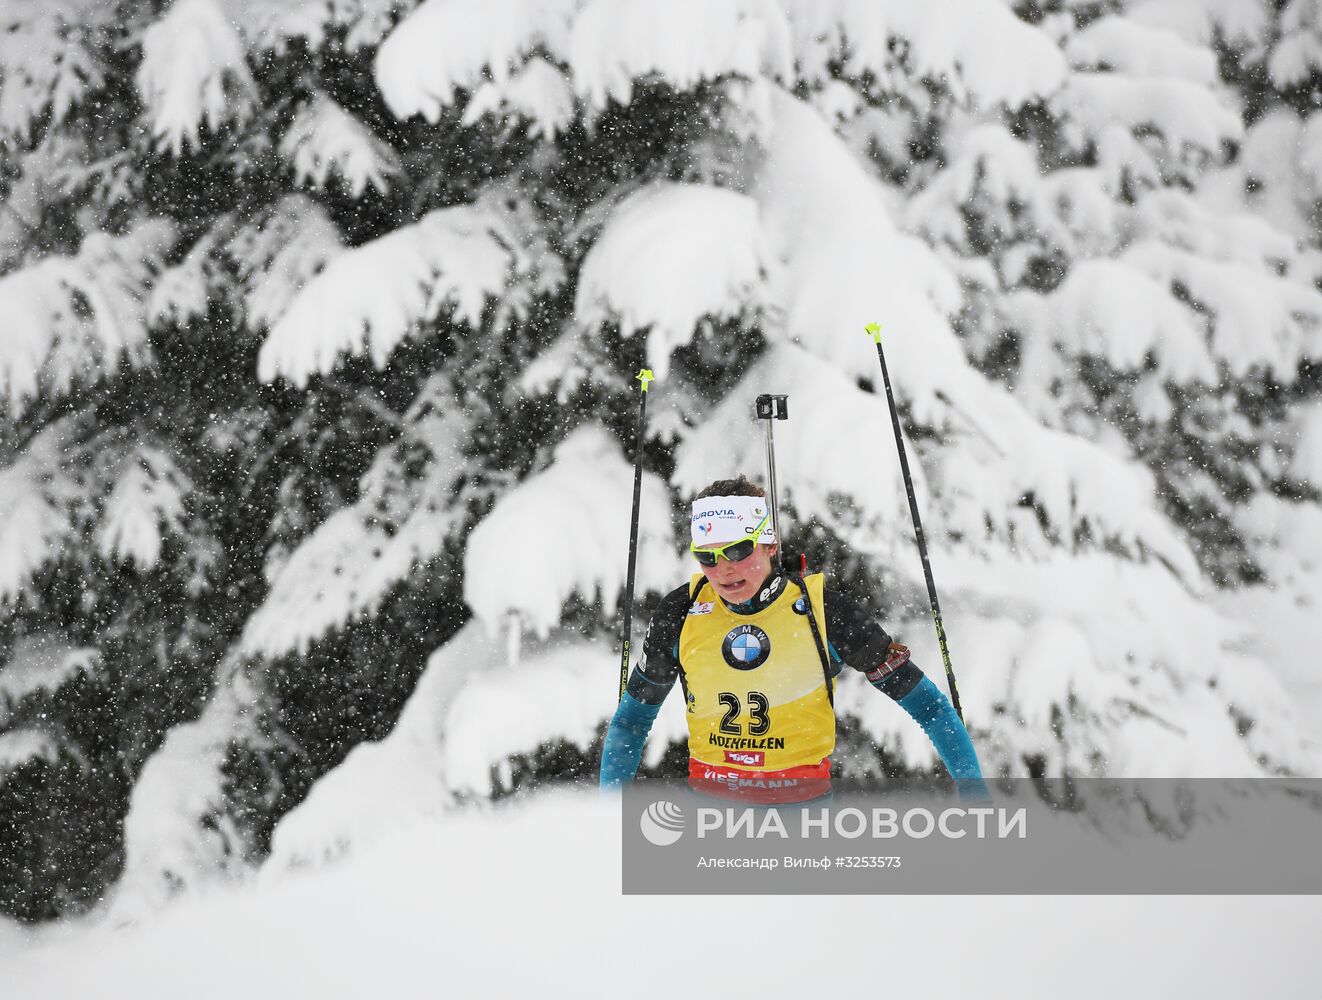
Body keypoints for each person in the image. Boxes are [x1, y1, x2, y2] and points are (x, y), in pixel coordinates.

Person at [599, 476, 987, 804]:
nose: (724, 569)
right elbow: (632, 723)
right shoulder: (680, 612)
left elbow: (931, 709)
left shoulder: (822, 610)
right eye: (708, 556)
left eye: (738, 550)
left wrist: (973, 792)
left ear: (769, 544)